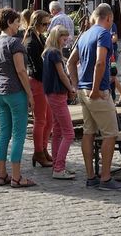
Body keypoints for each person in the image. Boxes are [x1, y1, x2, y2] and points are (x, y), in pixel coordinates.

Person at [67, 3, 121, 191]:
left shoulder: (85, 35)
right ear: (108, 18)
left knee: (88, 132)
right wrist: (95, 89)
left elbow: (71, 62)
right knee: (110, 133)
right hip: (97, 92)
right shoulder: (103, 34)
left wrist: (77, 86)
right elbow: (101, 62)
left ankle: (91, 176)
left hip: (83, 91)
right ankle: (106, 178)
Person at [0, 7, 36, 188]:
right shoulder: (15, 43)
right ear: (9, 22)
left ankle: (2, 174)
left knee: (4, 134)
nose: (19, 25)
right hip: (16, 92)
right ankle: (17, 177)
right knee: (18, 135)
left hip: (0, 93)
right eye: (17, 22)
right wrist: (30, 94)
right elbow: (21, 71)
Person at [42, 26, 77, 179]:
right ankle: (59, 167)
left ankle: (57, 164)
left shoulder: (48, 52)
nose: (65, 41)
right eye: (63, 38)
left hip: (51, 95)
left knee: (57, 132)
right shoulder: (55, 53)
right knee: (69, 133)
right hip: (57, 94)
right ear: (57, 37)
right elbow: (62, 75)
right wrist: (71, 88)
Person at [23, 10, 53, 168]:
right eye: (44, 24)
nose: (46, 27)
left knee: (49, 120)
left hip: (43, 82)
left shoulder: (39, 37)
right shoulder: (31, 41)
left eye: (48, 24)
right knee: (41, 120)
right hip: (37, 82)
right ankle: (38, 152)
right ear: (36, 23)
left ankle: (43, 149)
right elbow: (37, 68)